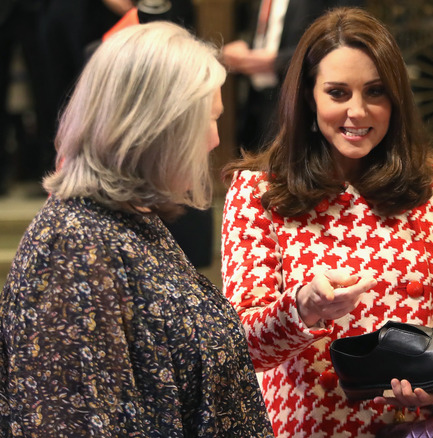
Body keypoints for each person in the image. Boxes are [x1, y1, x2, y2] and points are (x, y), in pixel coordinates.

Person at [221, 7, 433, 437]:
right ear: (308, 97)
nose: (358, 112)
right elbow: (240, 346)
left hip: (407, 429)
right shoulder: (259, 192)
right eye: (337, 93)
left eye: (375, 92)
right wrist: (302, 309)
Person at [0, 22, 274, 437]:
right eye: (206, 119)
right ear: (154, 126)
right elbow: (75, 421)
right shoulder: (74, 246)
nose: (215, 139)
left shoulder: (134, 218)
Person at [220, 0, 363, 152]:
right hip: (256, 102)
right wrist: (244, 46)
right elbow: (264, 37)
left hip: (296, 100)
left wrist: (277, 62)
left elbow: (339, 38)